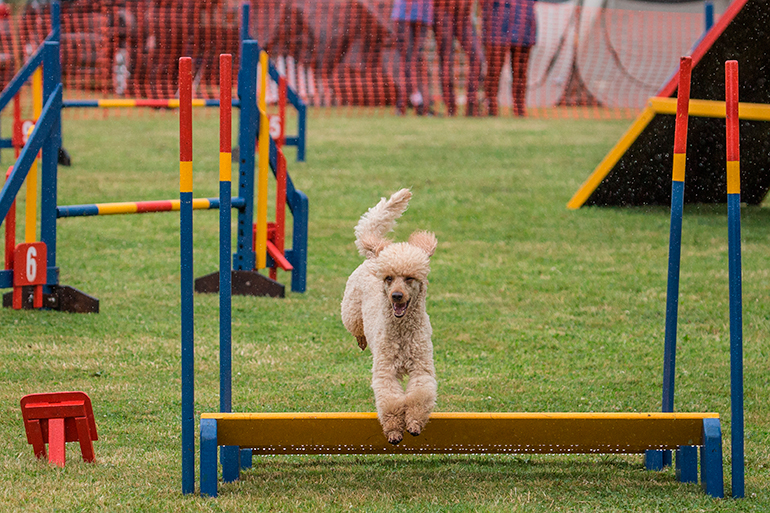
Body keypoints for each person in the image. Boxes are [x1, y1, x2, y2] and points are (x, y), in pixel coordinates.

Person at [482, 0, 537, 116]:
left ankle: (520, 109)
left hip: (523, 25)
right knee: (494, 71)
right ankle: (490, 108)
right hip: (497, 25)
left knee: (520, 72)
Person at [434, 0, 484, 116]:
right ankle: (450, 108)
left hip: (464, 15)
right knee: (447, 60)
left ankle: (471, 107)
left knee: (477, 58)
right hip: (443, 12)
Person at [391, 0, 433, 115]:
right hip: (403, 15)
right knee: (408, 60)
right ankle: (415, 102)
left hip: (424, 16)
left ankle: (407, 104)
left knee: (416, 61)